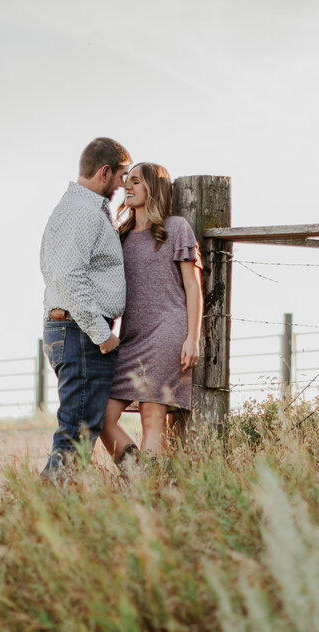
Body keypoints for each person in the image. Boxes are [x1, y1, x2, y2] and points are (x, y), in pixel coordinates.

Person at [38, 137, 131, 478]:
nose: (124, 186)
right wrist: (101, 333)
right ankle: (47, 514)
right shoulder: (81, 212)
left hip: (76, 329)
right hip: (81, 332)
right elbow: (68, 276)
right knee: (77, 432)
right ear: (105, 172)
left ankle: (56, 511)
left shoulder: (83, 211)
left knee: (82, 429)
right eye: (122, 177)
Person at [100, 162, 203, 465]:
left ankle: (148, 490)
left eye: (136, 182)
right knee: (100, 416)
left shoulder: (176, 228)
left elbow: (193, 288)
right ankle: (138, 473)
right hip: (130, 338)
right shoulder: (120, 235)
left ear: (153, 188)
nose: (127, 187)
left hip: (168, 332)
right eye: (127, 181)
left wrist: (192, 338)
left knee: (151, 414)